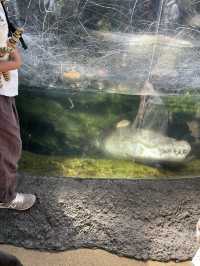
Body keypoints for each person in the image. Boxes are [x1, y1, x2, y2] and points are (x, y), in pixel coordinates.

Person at [0, 0, 36, 210]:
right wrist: (13, 63)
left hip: (5, 87)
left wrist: (9, 48)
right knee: (8, 145)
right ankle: (5, 197)